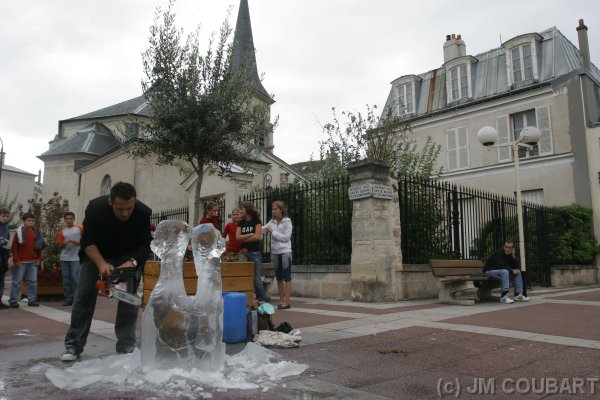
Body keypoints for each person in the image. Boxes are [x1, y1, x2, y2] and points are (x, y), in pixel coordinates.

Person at [60, 182, 152, 361]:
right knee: (83, 297)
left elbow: (145, 244)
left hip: (127, 258)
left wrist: (131, 263)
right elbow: (87, 241)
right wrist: (101, 264)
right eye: (120, 209)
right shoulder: (95, 208)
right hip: (96, 256)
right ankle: (73, 345)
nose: (125, 213)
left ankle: (126, 346)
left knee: (129, 301)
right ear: (110, 202)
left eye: (129, 208)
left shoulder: (143, 212)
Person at [236, 201, 270, 302]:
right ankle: (246, 298)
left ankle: (262, 299)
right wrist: (249, 234)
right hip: (243, 253)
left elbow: (257, 237)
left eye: (241, 209)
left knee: (256, 278)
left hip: (254, 252)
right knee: (243, 276)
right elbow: (237, 237)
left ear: (247, 210)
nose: (239, 211)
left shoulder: (257, 221)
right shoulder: (241, 223)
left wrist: (244, 238)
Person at [9, 212, 44, 308]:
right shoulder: (19, 232)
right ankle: (13, 300)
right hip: (21, 262)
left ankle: (32, 299)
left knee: (32, 281)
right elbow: (14, 247)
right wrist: (16, 260)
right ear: (24, 221)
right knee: (16, 281)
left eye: (32, 221)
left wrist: (39, 258)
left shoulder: (36, 232)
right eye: (29, 221)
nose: (31, 222)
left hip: (33, 261)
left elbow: (39, 247)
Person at [263, 201, 293, 310]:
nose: (273, 211)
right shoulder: (271, 222)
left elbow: (286, 237)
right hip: (275, 252)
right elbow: (262, 229)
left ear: (281, 210)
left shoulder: (287, 222)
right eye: (272, 209)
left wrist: (273, 233)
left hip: (285, 252)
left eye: (276, 209)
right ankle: (281, 300)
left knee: (287, 277)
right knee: (279, 277)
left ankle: (287, 301)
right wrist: (256, 226)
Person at [484, 240, 530, 304]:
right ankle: (503, 297)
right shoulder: (499, 253)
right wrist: (511, 271)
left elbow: (515, 267)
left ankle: (518, 295)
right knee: (505, 271)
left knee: (518, 272)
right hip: (489, 272)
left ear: (513, 249)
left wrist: (513, 256)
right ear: (504, 247)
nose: (507, 249)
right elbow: (501, 266)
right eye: (506, 247)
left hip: (500, 272)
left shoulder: (510, 255)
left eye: (509, 247)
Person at [56, 211, 83, 306]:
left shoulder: (79, 229)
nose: (69, 220)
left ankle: (77, 298)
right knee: (66, 279)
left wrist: (76, 241)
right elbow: (58, 246)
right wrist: (63, 243)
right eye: (67, 219)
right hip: (64, 258)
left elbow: (86, 241)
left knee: (75, 278)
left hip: (76, 258)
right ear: (64, 220)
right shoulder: (62, 232)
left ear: (74, 219)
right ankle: (68, 298)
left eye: (70, 218)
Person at [0, 208, 11, 309]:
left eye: (7, 216)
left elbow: (7, 241)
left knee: (1, 279)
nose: (5, 218)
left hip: (4, 256)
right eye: (3, 216)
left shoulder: (6, 228)